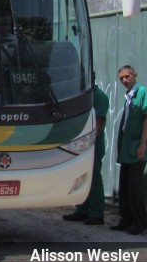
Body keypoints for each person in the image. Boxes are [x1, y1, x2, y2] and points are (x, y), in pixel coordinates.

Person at [63, 73, 109, 225]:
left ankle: (97, 213)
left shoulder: (99, 96)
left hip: (92, 145)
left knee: (94, 177)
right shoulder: (81, 96)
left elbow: (100, 121)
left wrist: (89, 142)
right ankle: (82, 209)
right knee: (80, 176)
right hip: (81, 144)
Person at [111, 65, 147, 235]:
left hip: (136, 149)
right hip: (126, 150)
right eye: (122, 78)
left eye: (127, 77)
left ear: (134, 75)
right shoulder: (129, 96)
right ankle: (126, 220)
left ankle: (139, 222)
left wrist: (142, 144)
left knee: (135, 188)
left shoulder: (142, 93)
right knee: (124, 186)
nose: (125, 80)